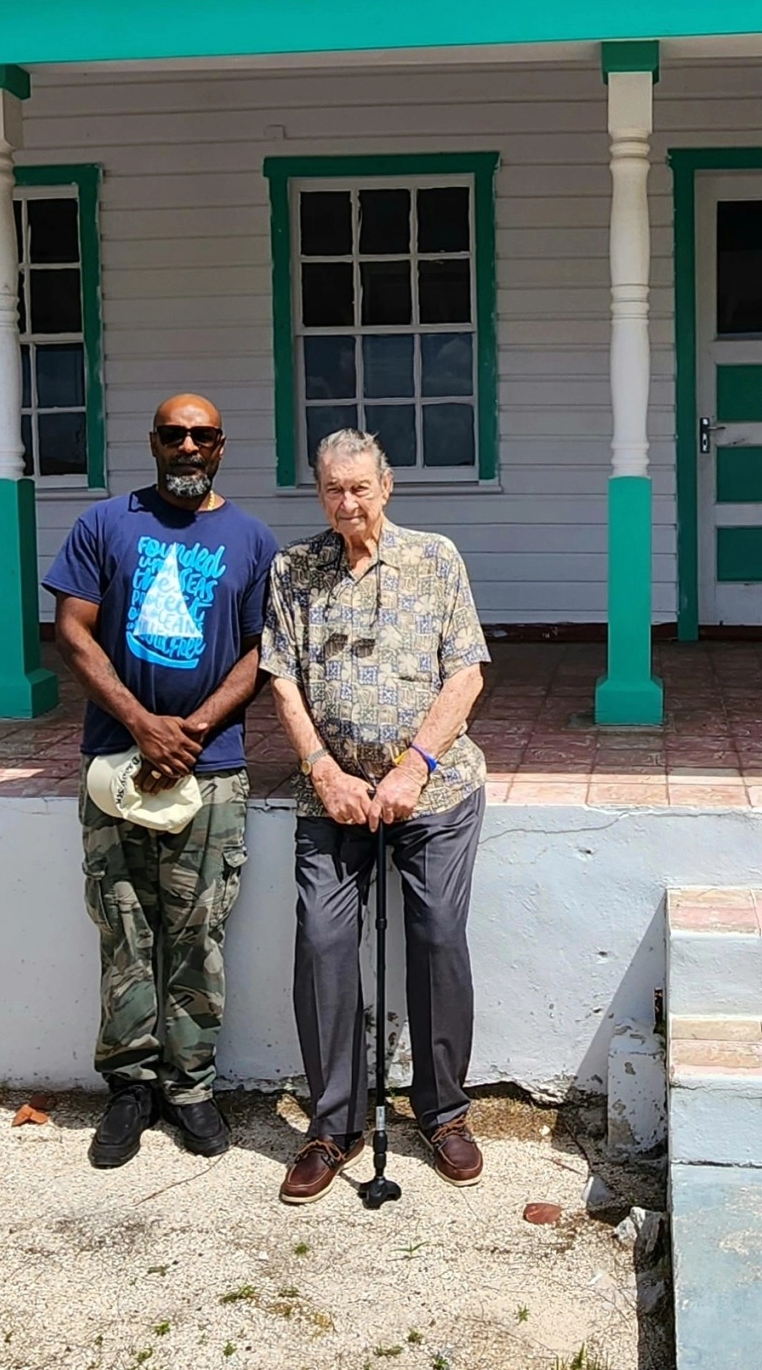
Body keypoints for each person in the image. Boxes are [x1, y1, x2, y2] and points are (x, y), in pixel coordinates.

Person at [44, 394, 276, 1168]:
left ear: (220, 446)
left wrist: (194, 727)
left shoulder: (250, 538)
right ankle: (130, 1087)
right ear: (152, 441)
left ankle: (191, 1086)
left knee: (198, 932)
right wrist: (142, 723)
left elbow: (259, 654)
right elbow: (72, 630)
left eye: (201, 435)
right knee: (124, 926)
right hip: (117, 763)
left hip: (211, 773)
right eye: (173, 433)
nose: (186, 445)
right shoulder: (104, 525)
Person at [260, 429, 489, 1205]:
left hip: (434, 786)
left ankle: (443, 1109)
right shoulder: (294, 569)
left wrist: (414, 765)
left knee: (434, 933)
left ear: (386, 486)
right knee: (324, 938)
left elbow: (465, 674)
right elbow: (283, 681)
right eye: (332, 489)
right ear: (318, 492)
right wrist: (323, 769)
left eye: (360, 487)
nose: (347, 503)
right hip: (333, 792)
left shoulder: (435, 559)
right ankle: (334, 1122)